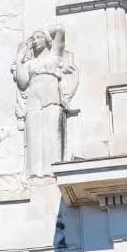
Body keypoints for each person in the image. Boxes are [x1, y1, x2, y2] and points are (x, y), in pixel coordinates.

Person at [11, 26, 79, 177]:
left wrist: (44, 31)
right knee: (34, 134)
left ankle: (50, 171)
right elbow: (22, 82)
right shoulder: (30, 63)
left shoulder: (55, 56)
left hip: (51, 96)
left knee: (51, 133)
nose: (35, 41)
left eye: (39, 37)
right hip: (34, 99)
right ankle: (34, 173)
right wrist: (19, 59)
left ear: (47, 40)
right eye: (34, 39)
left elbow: (60, 30)